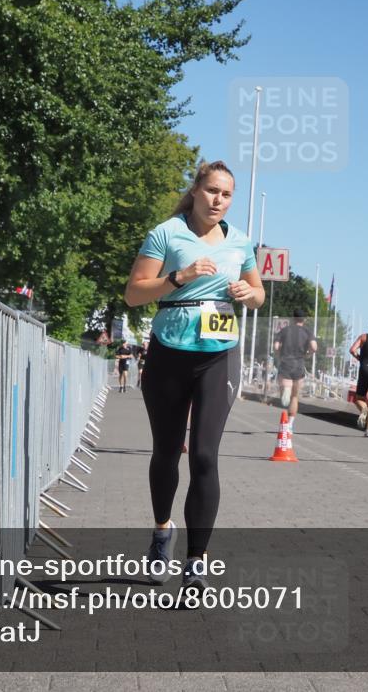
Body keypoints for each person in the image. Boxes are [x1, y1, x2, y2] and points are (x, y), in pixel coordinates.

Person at [125, 160, 264, 593]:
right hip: (169, 352)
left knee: (205, 456)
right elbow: (133, 293)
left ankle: (196, 562)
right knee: (167, 451)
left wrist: (249, 294)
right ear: (196, 190)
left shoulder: (240, 243)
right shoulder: (166, 233)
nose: (218, 200)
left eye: (226, 194)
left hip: (218, 355)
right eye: (212, 191)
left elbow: (258, 293)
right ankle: (162, 532)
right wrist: (178, 277)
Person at [273, 309, 317, 432]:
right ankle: (290, 425)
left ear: (293, 318)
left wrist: (279, 355)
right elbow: (314, 347)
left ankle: (285, 391)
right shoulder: (307, 332)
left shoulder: (284, 330)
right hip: (299, 365)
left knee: (285, 392)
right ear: (304, 320)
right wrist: (308, 354)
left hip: (285, 364)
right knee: (294, 397)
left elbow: (276, 347)